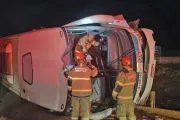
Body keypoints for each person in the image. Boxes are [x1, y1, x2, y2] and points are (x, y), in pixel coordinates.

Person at [67, 52, 98, 120]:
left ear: (76, 60)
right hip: (86, 94)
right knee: (85, 111)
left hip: (75, 94)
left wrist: (69, 90)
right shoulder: (87, 69)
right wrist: (94, 67)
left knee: (75, 111)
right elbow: (95, 74)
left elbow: (69, 81)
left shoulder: (73, 70)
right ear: (84, 60)